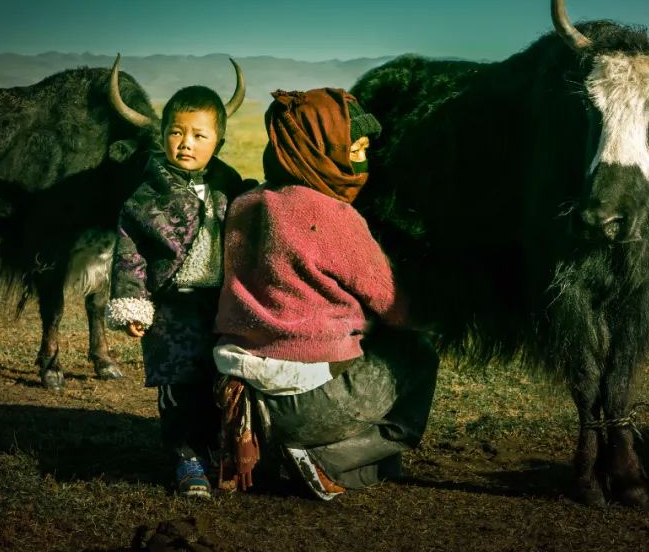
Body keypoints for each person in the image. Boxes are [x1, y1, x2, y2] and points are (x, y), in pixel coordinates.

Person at [213, 87, 439, 500]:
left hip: (238, 393)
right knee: (418, 354)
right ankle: (327, 460)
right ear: (318, 150)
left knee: (380, 465)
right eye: (356, 149)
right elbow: (394, 307)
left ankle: (282, 451)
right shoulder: (333, 214)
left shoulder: (245, 202)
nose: (363, 160)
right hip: (312, 402)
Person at [106, 85, 251, 499]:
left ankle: (216, 452)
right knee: (177, 383)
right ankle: (185, 457)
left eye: (199, 135)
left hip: (218, 305)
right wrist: (134, 304)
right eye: (176, 132)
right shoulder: (144, 196)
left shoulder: (230, 185)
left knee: (219, 379)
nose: (186, 143)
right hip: (170, 308)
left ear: (218, 141)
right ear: (163, 135)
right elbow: (129, 253)